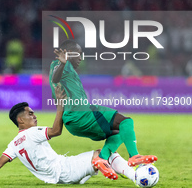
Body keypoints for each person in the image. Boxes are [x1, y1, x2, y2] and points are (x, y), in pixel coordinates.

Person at [0, 86, 136, 184]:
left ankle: (103, 165)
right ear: (20, 121)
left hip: (56, 178)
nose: (34, 115)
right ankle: (137, 176)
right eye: (30, 114)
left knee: (101, 155)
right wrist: (60, 105)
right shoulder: (33, 133)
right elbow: (56, 131)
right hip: (65, 170)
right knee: (107, 153)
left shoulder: (14, 143)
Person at [49, 39, 157, 180]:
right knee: (126, 122)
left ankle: (101, 159)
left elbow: (59, 88)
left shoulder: (67, 71)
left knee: (119, 132)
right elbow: (55, 79)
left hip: (73, 122)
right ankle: (134, 156)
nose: (81, 57)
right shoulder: (60, 65)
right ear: (68, 54)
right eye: (79, 54)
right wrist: (63, 63)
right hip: (82, 114)